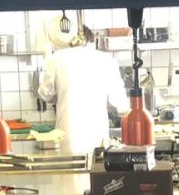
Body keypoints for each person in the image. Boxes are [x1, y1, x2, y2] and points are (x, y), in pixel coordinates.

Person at [38, 20, 125, 160]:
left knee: (70, 170)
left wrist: (61, 94)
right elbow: (119, 101)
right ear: (92, 40)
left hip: (68, 134)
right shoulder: (107, 60)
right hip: (97, 133)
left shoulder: (56, 59)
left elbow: (45, 94)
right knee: (96, 170)